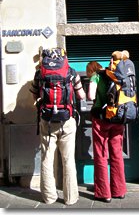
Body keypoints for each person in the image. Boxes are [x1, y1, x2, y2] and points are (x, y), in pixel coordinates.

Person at [30, 48, 85, 206]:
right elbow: (81, 95)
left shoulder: (40, 73)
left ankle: (49, 197)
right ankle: (70, 198)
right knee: (68, 160)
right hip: (67, 120)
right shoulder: (71, 72)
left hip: (46, 120)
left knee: (47, 159)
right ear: (64, 57)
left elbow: (34, 95)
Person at [86, 61, 127, 203]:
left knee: (101, 154)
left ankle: (104, 193)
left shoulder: (94, 76)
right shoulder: (114, 75)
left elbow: (91, 96)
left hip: (101, 118)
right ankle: (119, 190)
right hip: (117, 118)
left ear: (90, 70)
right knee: (117, 153)